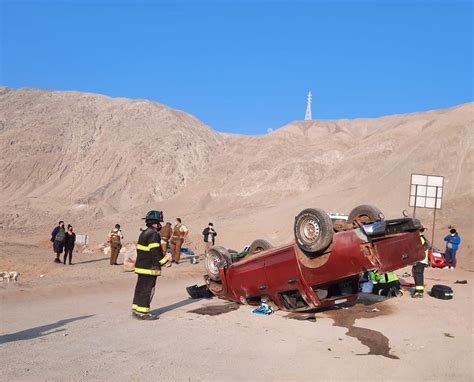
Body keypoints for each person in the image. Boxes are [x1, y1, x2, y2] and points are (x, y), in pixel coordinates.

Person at [132, 210, 168, 320]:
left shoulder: (144, 233)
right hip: (149, 267)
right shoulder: (153, 234)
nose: (160, 225)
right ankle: (143, 312)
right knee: (148, 289)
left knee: (140, 288)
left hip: (142, 266)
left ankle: (136, 309)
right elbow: (155, 251)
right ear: (154, 223)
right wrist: (165, 261)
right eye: (158, 223)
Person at [412, 225, 429, 298]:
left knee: (418, 275)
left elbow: (416, 249)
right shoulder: (423, 238)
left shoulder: (420, 239)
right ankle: (418, 290)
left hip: (420, 260)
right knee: (417, 274)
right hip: (422, 260)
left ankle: (419, 292)